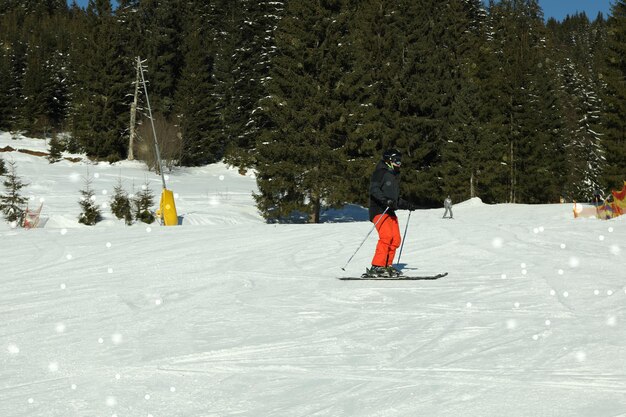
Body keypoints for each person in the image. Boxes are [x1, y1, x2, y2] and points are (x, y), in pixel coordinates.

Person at [366, 149, 415, 277]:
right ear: (388, 160)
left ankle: (387, 265)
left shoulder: (393, 176)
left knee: (396, 239)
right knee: (387, 236)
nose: (399, 163)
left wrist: (406, 204)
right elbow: (374, 190)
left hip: (390, 211)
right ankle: (377, 266)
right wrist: (385, 200)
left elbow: (395, 199)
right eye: (396, 160)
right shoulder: (380, 172)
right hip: (378, 210)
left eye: (400, 160)